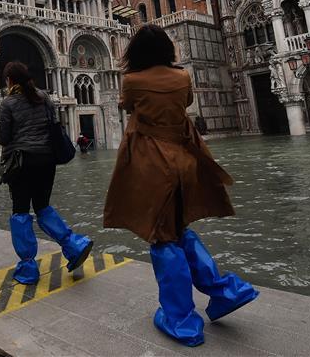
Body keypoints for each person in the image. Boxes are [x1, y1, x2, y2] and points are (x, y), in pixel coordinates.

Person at [103, 25, 257, 347]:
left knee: (162, 237)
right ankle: (225, 291)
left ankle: (181, 320)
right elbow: (185, 103)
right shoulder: (183, 77)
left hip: (153, 166)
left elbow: (127, 105)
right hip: (185, 160)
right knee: (178, 228)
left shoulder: (132, 81)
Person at [0, 61, 93, 284]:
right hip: (46, 160)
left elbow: (3, 137)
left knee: (20, 212)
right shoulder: (43, 96)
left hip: (22, 162)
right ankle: (73, 245)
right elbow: (53, 123)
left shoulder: (8, 103)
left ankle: (28, 269)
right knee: (42, 206)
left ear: (9, 81)